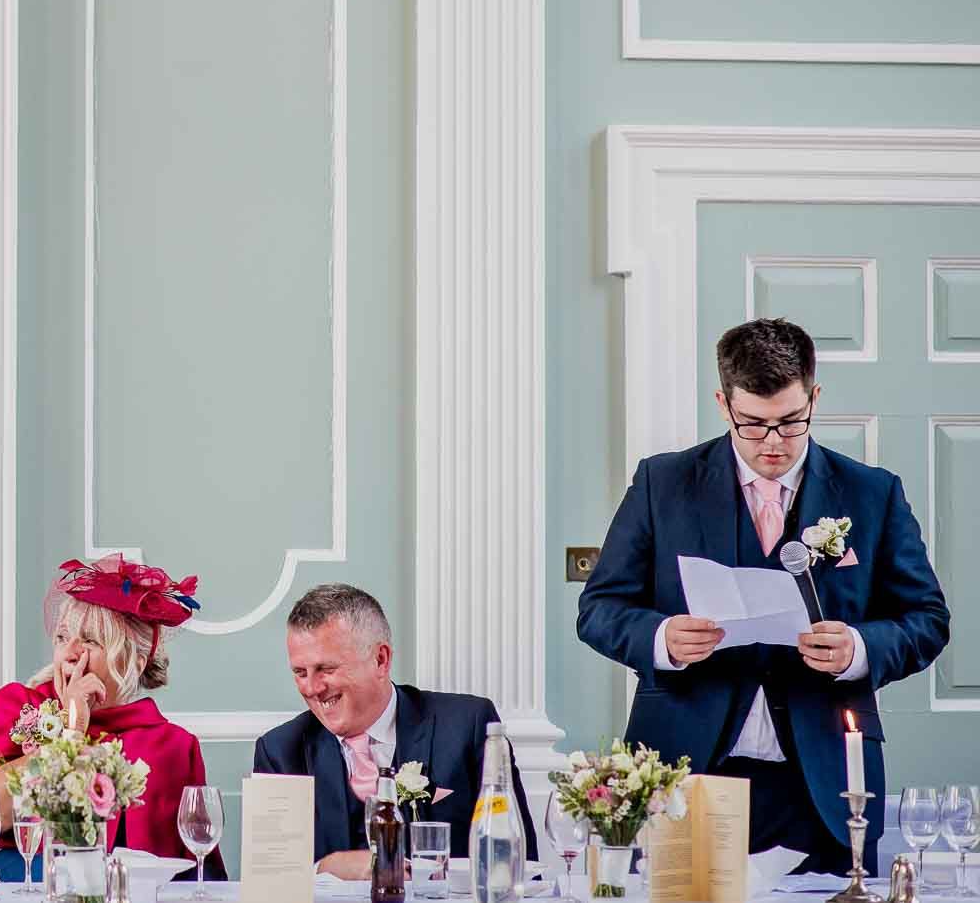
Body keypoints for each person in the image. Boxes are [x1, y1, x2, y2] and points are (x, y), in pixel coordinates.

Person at [578, 318, 949, 873]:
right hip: (685, 769)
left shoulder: (873, 493)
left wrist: (859, 649)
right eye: (753, 424)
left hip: (825, 778)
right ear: (723, 404)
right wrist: (662, 639)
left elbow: (926, 619)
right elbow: (600, 609)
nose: (773, 442)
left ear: (813, 398)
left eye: (790, 422)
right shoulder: (662, 483)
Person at [0, 555, 224, 881]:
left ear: (136, 661)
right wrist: (72, 730)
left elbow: (198, 872)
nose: (70, 651)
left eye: (90, 640)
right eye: (62, 637)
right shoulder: (13, 707)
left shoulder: (172, 745)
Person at [253, 584, 536, 877]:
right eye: (300, 673)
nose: (312, 688)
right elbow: (273, 880)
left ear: (381, 659)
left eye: (326, 669)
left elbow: (519, 861)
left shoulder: (468, 725)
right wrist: (324, 867)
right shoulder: (279, 752)